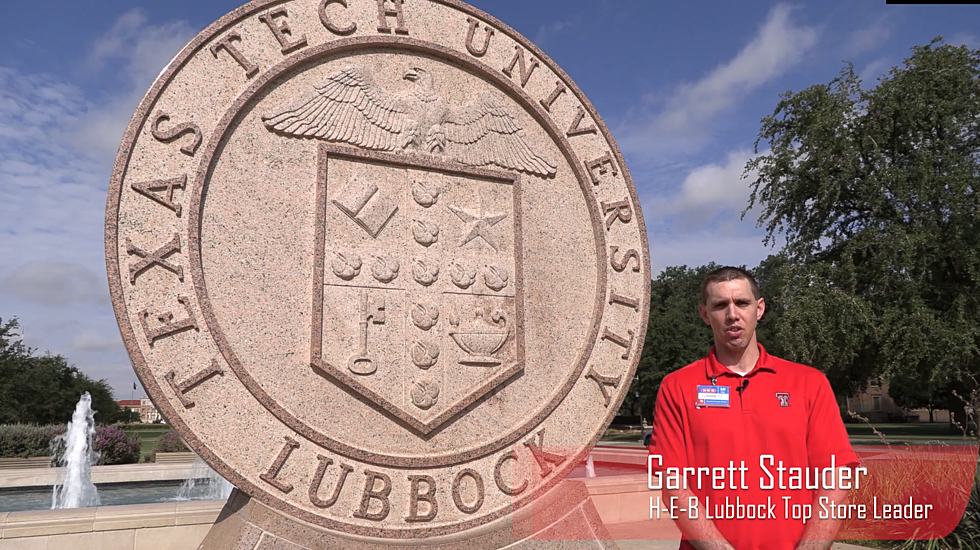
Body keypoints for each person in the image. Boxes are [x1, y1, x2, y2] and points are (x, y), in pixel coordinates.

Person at [648, 266, 859, 550]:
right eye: (720, 305)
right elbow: (673, 485)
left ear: (759, 309)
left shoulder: (809, 383)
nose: (732, 314)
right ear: (704, 314)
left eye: (742, 303)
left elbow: (836, 478)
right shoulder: (678, 387)